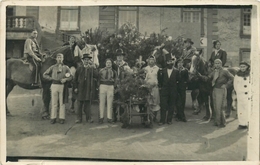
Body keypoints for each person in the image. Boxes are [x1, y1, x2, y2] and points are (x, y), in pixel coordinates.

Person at [43, 53, 72, 124]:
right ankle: (53, 117)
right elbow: (44, 74)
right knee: (54, 102)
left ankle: (62, 118)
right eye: (58, 57)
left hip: (62, 86)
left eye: (61, 57)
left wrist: (66, 79)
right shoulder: (53, 67)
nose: (59, 59)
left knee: (62, 102)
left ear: (63, 59)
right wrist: (51, 78)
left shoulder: (66, 67)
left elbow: (71, 76)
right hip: (54, 85)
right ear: (56, 59)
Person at [206, 59, 234, 127]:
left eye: (218, 63)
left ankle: (222, 122)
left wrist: (226, 85)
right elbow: (208, 78)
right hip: (215, 89)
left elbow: (232, 78)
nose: (217, 65)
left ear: (221, 64)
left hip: (221, 90)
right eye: (216, 63)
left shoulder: (225, 71)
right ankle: (217, 121)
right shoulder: (214, 71)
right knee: (215, 106)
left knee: (220, 106)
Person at [74, 53, 98, 124]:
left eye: (88, 60)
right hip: (80, 88)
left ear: (89, 61)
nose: (86, 61)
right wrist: (75, 87)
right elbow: (75, 79)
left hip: (88, 88)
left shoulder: (91, 69)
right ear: (83, 60)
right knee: (79, 104)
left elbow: (97, 75)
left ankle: (89, 118)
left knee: (87, 104)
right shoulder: (79, 68)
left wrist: (94, 68)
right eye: (85, 60)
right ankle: (79, 118)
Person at [157, 54, 179, 125]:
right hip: (164, 90)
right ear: (166, 62)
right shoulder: (162, 71)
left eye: (171, 61)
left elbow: (178, 80)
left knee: (171, 105)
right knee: (163, 105)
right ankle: (162, 120)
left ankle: (169, 120)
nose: (170, 63)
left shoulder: (176, 71)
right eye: (168, 61)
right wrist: (161, 87)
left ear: (173, 62)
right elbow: (160, 80)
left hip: (173, 91)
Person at [112, 48, 131, 123]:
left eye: (121, 56)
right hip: (115, 85)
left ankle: (122, 116)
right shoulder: (113, 64)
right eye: (118, 56)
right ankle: (114, 117)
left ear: (123, 57)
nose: (119, 57)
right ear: (116, 57)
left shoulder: (126, 64)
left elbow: (129, 74)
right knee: (114, 101)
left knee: (122, 101)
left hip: (123, 85)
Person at [98, 58, 117, 124]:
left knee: (110, 102)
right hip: (103, 85)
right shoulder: (101, 71)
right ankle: (101, 117)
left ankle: (109, 118)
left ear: (111, 64)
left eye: (110, 63)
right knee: (102, 102)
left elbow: (116, 79)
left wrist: (114, 86)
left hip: (110, 86)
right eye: (107, 63)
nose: (108, 64)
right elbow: (98, 78)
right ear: (105, 64)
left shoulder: (114, 71)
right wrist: (98, 86)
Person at [233, 61, 250, 129]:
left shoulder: (250, 74)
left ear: (247, 67)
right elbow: (235, 84)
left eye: (244, 67)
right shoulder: (237, 75)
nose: (242, 68)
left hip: (248, 94)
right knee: (241, 109)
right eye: (241, 67)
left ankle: (248, 122)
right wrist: (238, 92)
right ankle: (242, 123)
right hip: (240, 94)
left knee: (248, 109)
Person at [144, 55, 160, 122]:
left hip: (155, 87)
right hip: (147, 88)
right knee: (148, 102)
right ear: (148, 60)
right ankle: (149, 117)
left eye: (152, 59)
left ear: (154, 60)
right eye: (150, 59)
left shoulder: (157, 68)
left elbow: (159, 78)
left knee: (155, 102)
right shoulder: (146, 68)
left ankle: (154, 117)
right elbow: (144, 77)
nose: (151, 61)